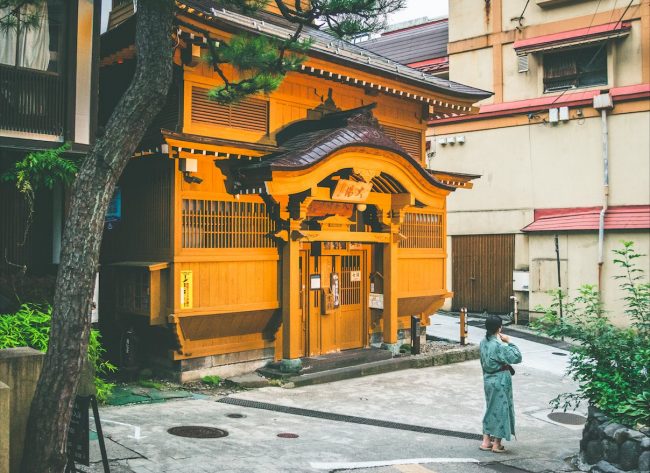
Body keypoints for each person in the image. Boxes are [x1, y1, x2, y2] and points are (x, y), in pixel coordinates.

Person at [479, 314, 522, 453]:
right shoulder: (498, 345)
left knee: (490, 408)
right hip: (501, 380)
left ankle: (486, 441)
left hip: (488, 379)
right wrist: (509, 341)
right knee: (501, 410)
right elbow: (517, 357)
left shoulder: (483, 342)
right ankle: (497, 443)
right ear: (499, 328)